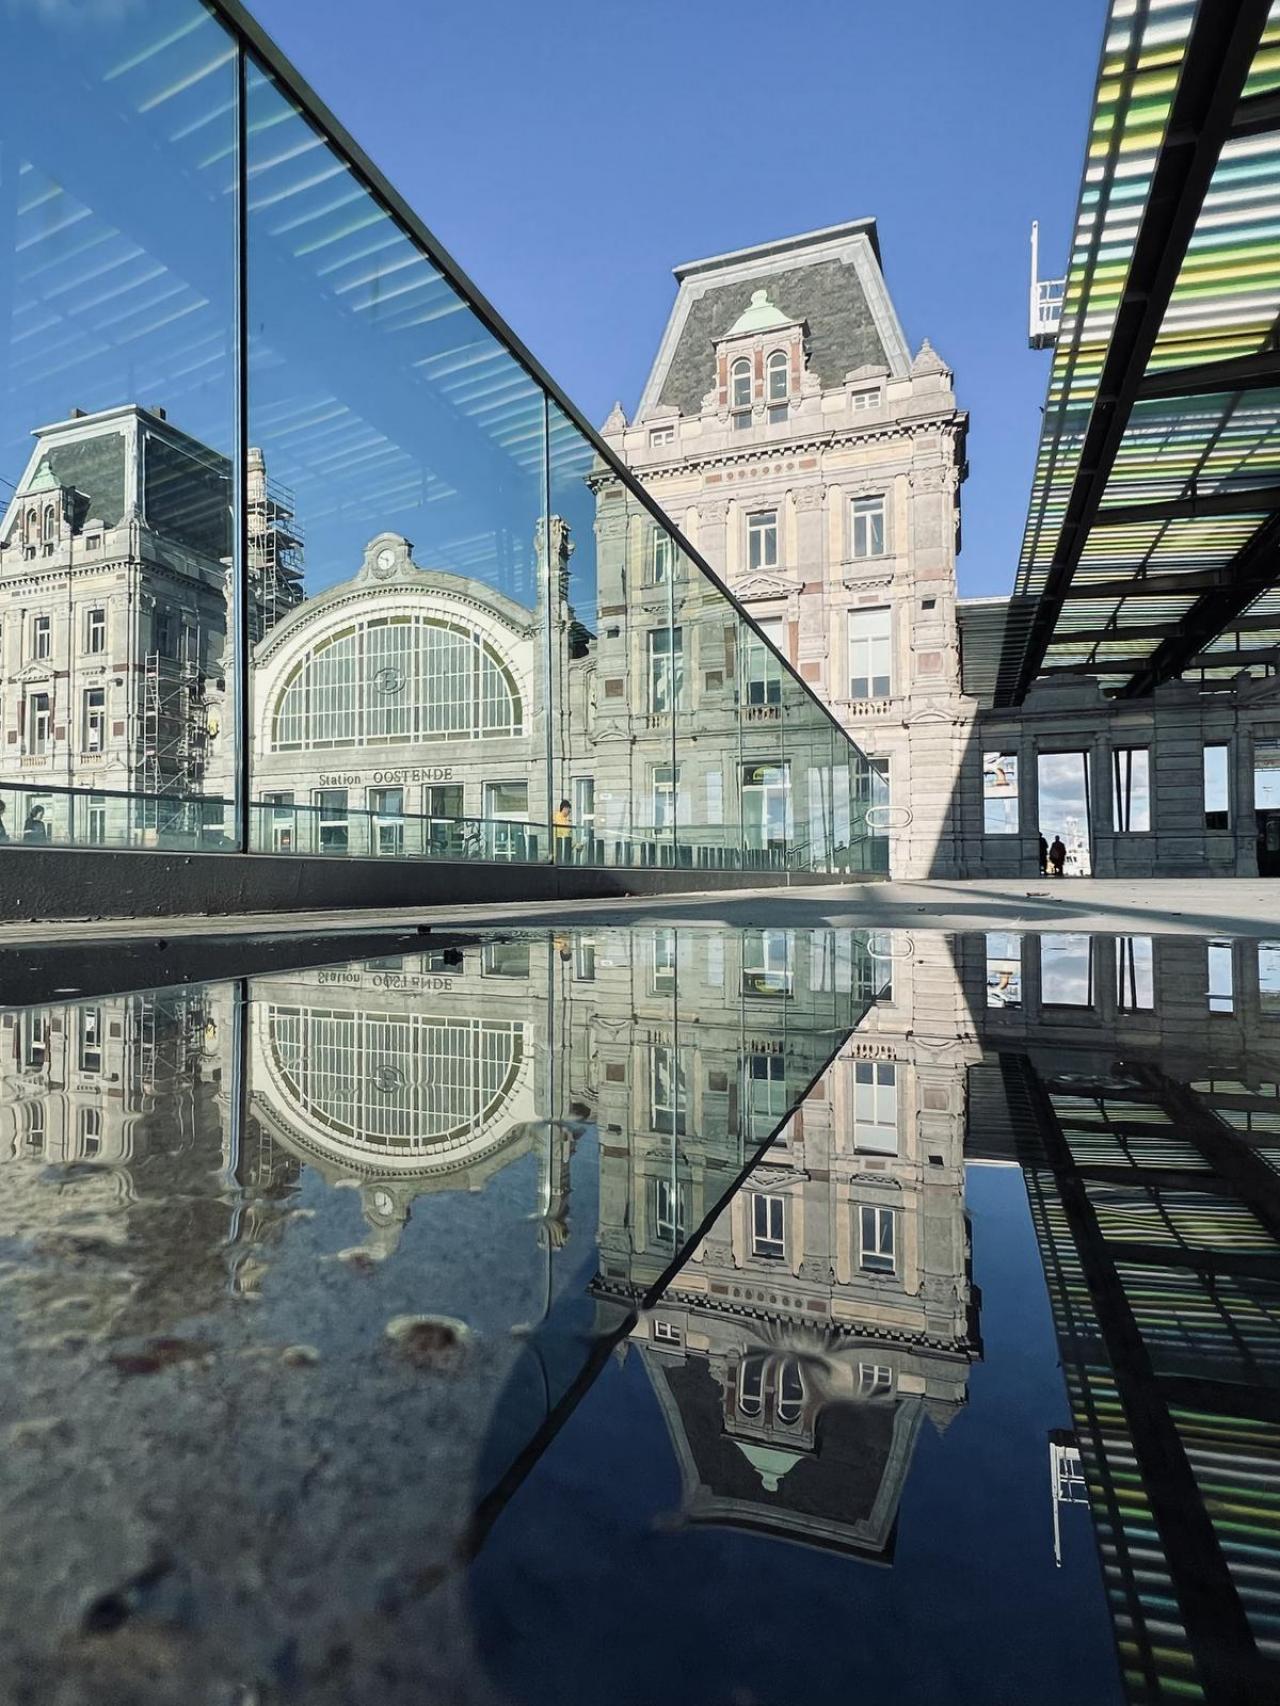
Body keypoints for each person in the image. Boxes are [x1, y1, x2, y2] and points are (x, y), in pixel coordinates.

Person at [553, 798, 572, 864]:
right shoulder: (562, 820)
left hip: (556, 849)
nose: (569, 813)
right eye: (569, 811)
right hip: (562, 849)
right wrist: (575, 844)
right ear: (565, 808)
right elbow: (566, 835)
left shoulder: (556, 817)